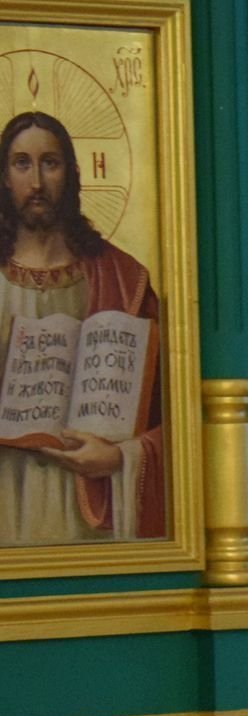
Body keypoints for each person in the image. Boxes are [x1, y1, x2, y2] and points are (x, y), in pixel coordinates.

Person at [0, 111, 164, 543]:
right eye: (22, 164)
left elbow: (175, 417)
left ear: (72, 174)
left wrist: (120, 457)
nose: (37, 182)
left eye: (49, 163)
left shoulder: (124, 280)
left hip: (86, 510)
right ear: (4, 178)